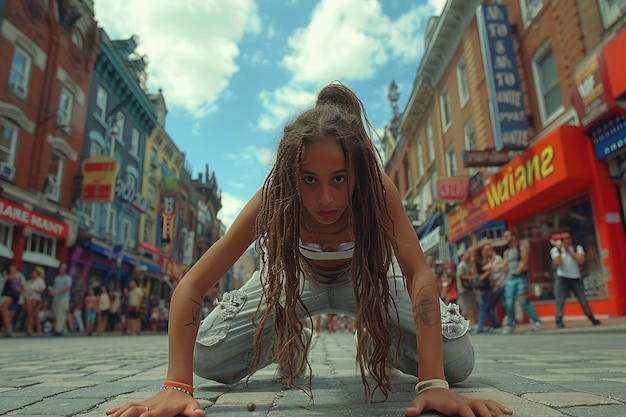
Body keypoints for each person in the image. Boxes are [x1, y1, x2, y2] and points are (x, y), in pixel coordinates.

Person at [106, 82, 511, 417]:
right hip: (295, 279)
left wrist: (434, 382)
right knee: (206, 360)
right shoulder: (273, 194)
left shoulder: (376, 187)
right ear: (289, 176)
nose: (326, 198)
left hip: (368, 277)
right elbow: (193, 283)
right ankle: (290, 338)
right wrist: (176, 385)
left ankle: (379, 339)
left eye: (339, 178)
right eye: (309, 180)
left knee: (457, 362)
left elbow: (419, 272)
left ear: (357, 171)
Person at [550, 232, 600, 328]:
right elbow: (559, 263)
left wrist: (568, 250)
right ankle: (559, 321)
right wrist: (560, 249)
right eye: (564, 239)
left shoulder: (577, 248)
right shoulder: (555, 250)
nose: (567, 241)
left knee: (582, 299)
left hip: (575, 277)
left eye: (568, 238)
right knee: (560, 300)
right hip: (562, 278)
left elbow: (581, 260)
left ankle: (591, 318)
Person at [500, 231, 542, 335]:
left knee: (524, 302)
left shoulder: (521, 248)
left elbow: (524, 261)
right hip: (510, 279)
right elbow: (504, 266)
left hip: (520, 278)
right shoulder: (507, 252)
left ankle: (537, 322)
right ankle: (510, 324)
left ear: (513, 237)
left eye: (507, 236)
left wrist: (518, 270)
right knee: (509, 303)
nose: (505, 238)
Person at [475, 244, 506, 333]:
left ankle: (507, 323)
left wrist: (482, 276)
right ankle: (495, 324)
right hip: (494, 287)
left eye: (487, 250)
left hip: (501, 285)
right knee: (488, 307)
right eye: (484, 251)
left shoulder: (497, 259)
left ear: (491, 250)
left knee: (505, 305)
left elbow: (490, 270)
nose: (485, 252)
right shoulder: (489, 260)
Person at [0, 264, 26, 336]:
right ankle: (7, 328)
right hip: (5, 295)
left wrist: (21, 293)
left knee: (3, 309)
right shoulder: (6, 276)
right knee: (5, 312)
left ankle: (8, 328)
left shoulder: (17, 277)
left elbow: (20, 288)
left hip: (11, 296)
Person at [455, 251, 478, 327]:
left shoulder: (467, 265)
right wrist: (472, 277)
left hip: (467, 290)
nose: (468, 255)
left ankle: (469, 324)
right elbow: (460, 276)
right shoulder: (462, 265)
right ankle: (466, 325)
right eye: (466, 254)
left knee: (469, 307)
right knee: (467, 308)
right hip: (464, 290)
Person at [49, 264, 72, 336]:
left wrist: (57, 292)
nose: (60, 270)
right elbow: (54, 287)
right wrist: (52, 291)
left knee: (61, 314)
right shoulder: (57, 278)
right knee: (56, 314)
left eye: (62, 269)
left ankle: (59, 330)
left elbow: (67, 288)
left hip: (63, 298)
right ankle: (56, 328)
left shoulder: (67, 278)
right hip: (56, 298)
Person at [23, 266, 47, 336]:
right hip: (28, 297)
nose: (34, 274)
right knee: (33, 315)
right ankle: (38, 329)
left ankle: (29, 328)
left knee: (31, 313)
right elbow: (25, 289)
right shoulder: (29, 281)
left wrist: (35, 290)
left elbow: (42, 290)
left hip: (35, 298)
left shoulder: (40, 281)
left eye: (35, 273)